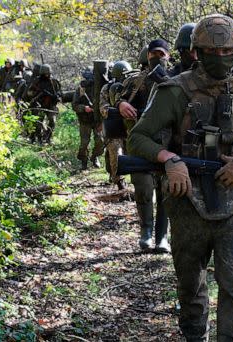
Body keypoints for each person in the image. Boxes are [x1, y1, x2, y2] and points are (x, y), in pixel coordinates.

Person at [128, 14, 233, 341]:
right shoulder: (174, 92)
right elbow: (138, 137)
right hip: (186, 202)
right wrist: (170, 159)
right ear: (196, 52)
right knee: (190, 286)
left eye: (227, 52)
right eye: (212, 52)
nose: (220, 58)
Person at [117, 40, 171, 253]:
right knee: (144, 189)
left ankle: (162, 236)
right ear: (146, 56)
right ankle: (146, 232)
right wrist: (122, 104)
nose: (157, 57)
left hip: (168, 144)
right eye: (153, 54)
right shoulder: (135, 81)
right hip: (139, 143)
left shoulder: (176, 78)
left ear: (168, 55)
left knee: (166, 192)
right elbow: (117, 99)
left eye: (161, 53)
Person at [100, 60, 132, 190]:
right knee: (116, 154)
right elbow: (103, 107)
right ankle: (119, 181)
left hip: (130, 126)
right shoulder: (107, 88)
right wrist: (117, 110)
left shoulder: (133, 85)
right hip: (114, 127)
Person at [72, 67, 103, 170]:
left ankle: (95, 157)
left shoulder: (100, 88)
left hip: (97, 119)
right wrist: (84, 108)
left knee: (100, 141)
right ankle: (83, 160)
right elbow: (75, 105)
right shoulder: (81, 89)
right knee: (84, 143)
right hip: (85, 120)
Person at [23, 64, 61, 144]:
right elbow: (29, 93)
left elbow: (59, 92)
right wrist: (38, 93)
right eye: (45, 74)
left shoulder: (54, 82)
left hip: (51, 105)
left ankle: (48, 138)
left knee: (52, 121)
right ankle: (39, 139)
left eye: (48, 73)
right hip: (39, 104)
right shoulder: (36, 81)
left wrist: (57, 97)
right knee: (38, 123)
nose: (47, 75)